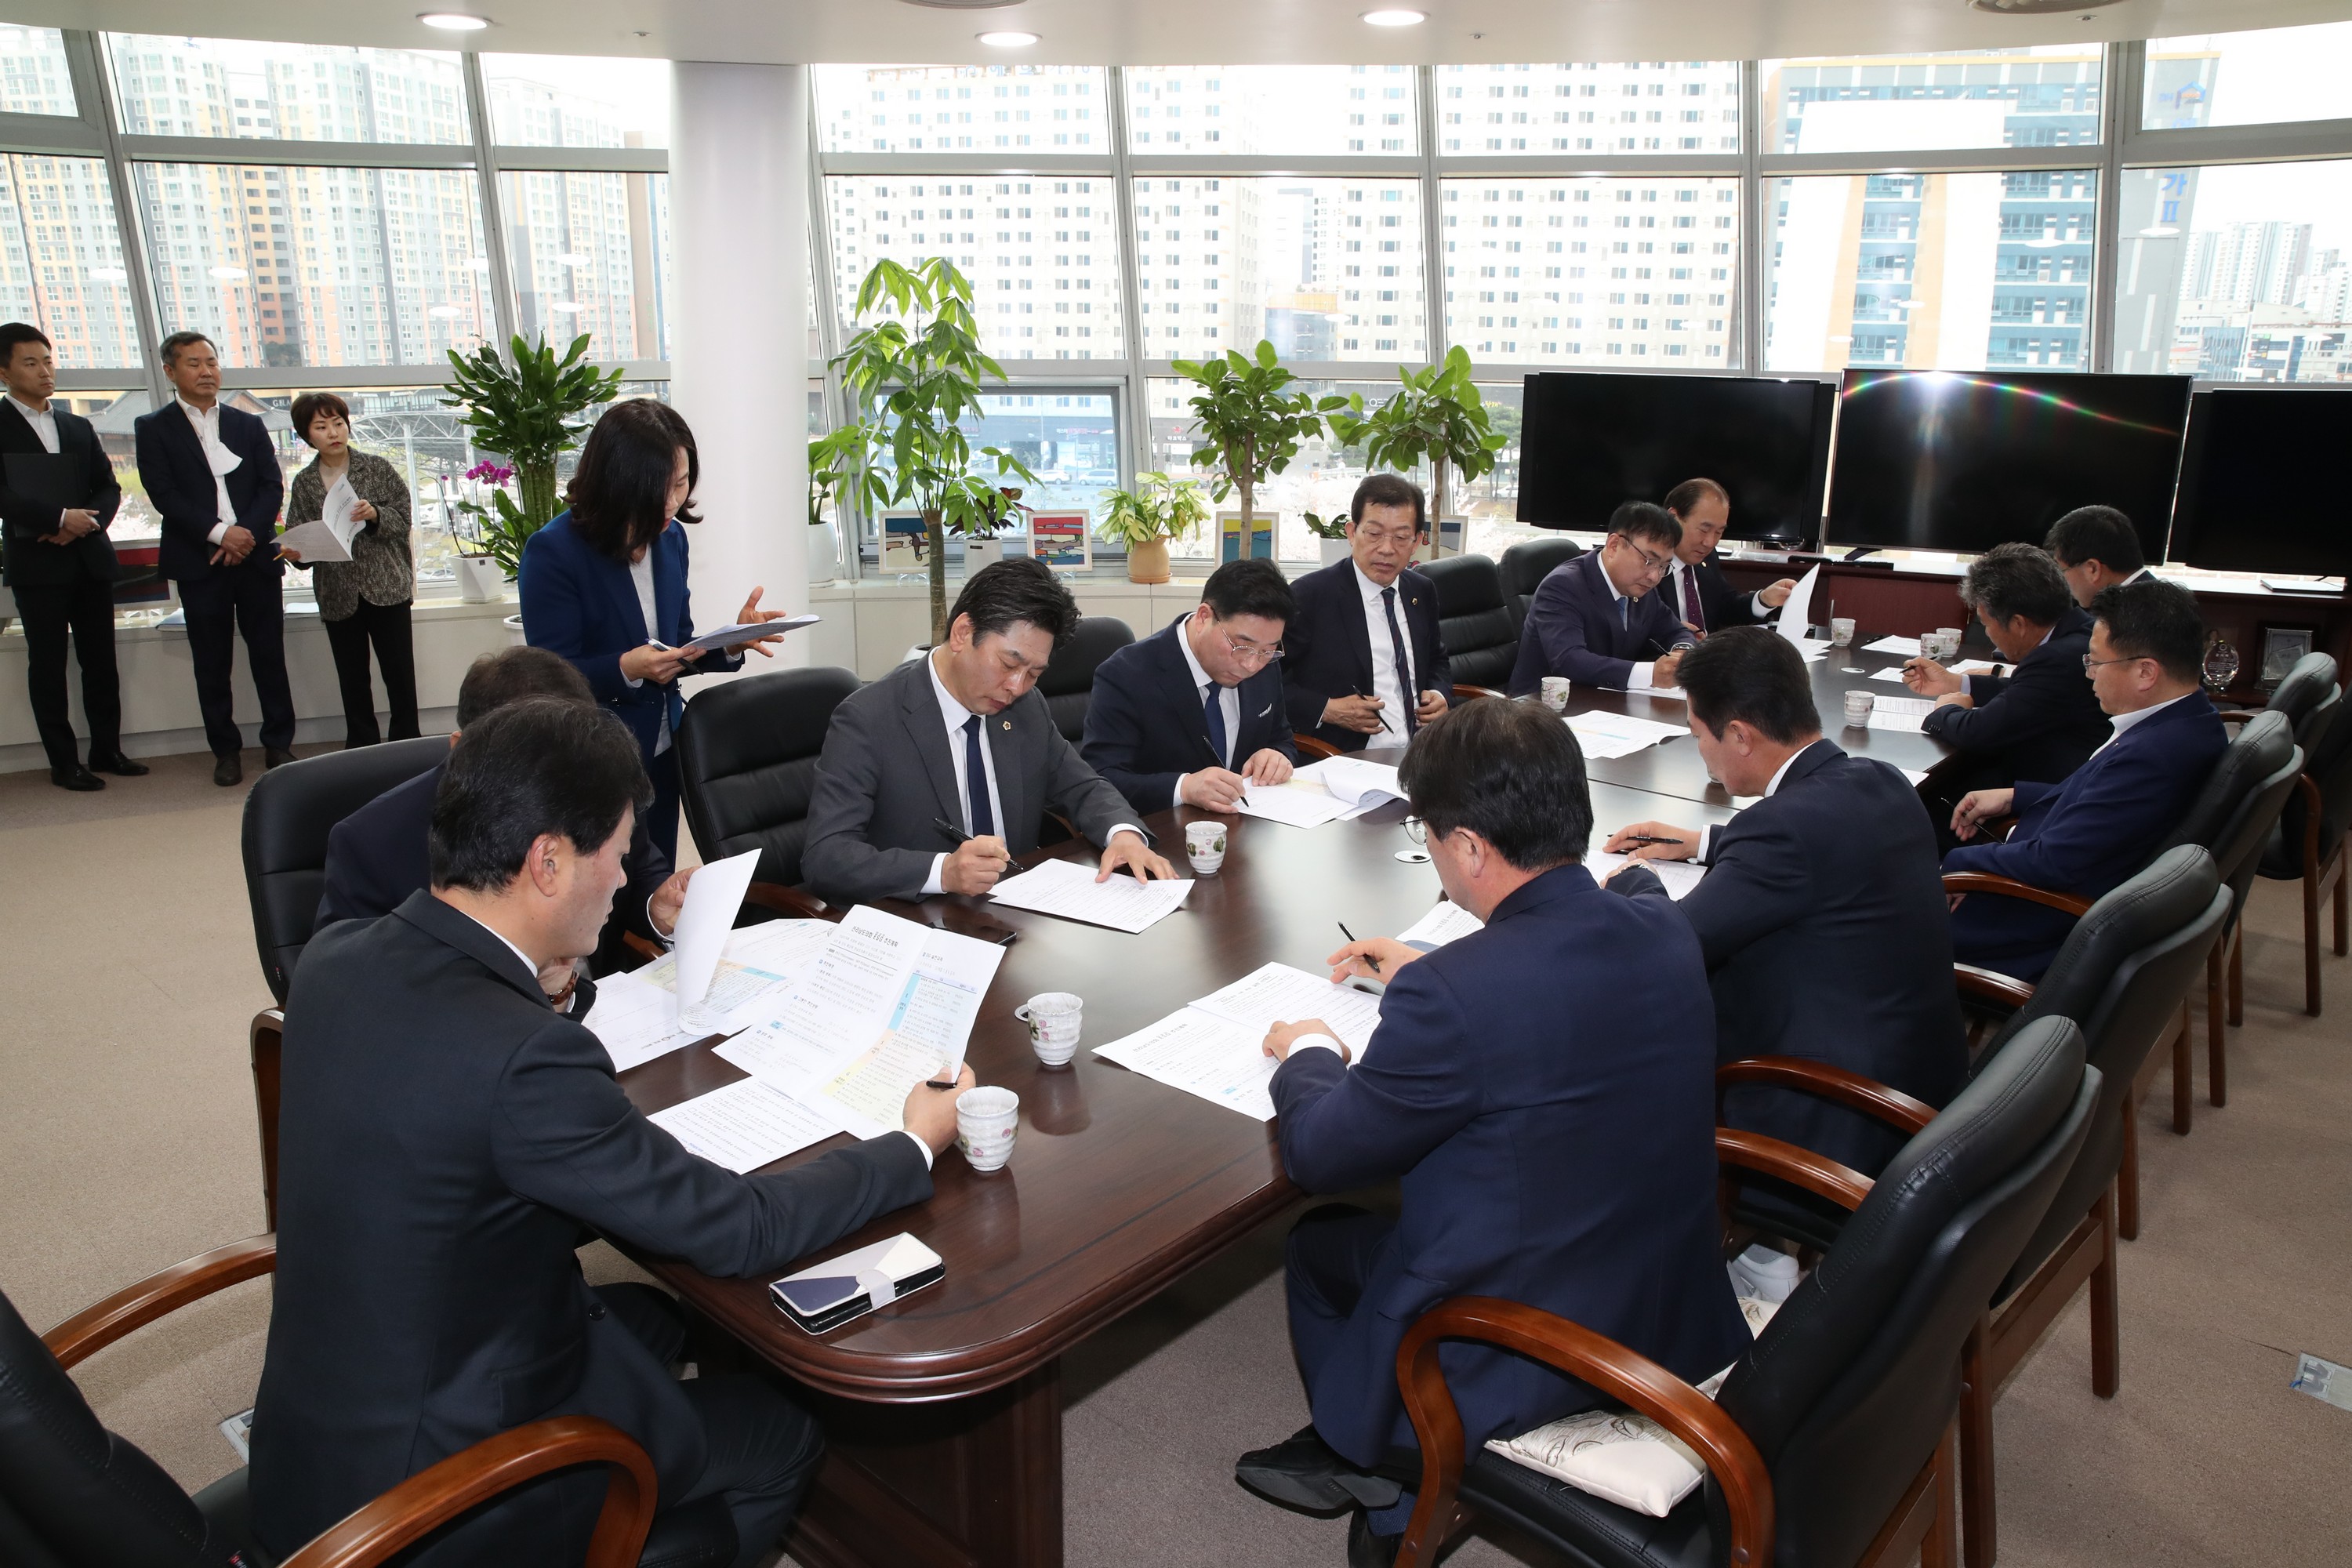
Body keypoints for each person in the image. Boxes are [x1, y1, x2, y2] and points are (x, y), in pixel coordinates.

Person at [250, 696, 973, 1568]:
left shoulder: (336, 957)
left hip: (321, 1428)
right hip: (434, 1496)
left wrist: (541, 985)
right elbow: (739, 1228)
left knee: (654, 1318)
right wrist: (911, 1141)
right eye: (621, 854)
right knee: (780, 1429)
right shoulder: (525, 1059)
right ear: (548, 861)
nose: (627, 877)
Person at [1234, 698, 1749, 1566]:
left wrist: (1310, 1051)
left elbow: (1321, 1153)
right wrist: (1446, 971)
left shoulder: (1458, 995)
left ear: (1469, 846)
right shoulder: (1660, 924)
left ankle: (1389, 1472)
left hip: (1524, 1344)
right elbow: (1553, 988)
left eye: (1430, 835)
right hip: (1668, 1299)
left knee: (1319, 1243)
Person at [1599, 627, 1965, 1180]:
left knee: (1631, 1038)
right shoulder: (1882, 780)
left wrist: (1635, 880)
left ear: (1740, 735)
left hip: (1833, 1120)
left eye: (1698, 734)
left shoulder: (1781, 830)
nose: (1701, 752)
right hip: (1922, 1082)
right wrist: (1705, 842)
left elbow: (1669, 945)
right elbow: (1826, 847)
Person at [802, 557, 1177, 904]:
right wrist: (942, 872)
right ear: (963, 633)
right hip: (918, 918)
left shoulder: (1026, 707)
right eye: (1009, 664)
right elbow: (827, 857)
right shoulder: (868, 719)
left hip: (1015, 908)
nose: (1017, 686)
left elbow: (1082, 786)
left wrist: (1123, 834)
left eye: (1034, 673)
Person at [315, 646, 691, 988]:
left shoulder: (600, 790)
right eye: (531, 768)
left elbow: (639, 873)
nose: (559, 793)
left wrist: (655, 909)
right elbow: (351, 984)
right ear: (462, 751)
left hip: (606, 1007)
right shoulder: (370, 843)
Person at [520, 398, 791, 860]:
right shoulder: (553, 552)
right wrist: (627, 669)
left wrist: (731, 642)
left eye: (681, 483)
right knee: (606, 885)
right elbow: (549, 680)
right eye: (658, 489)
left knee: (656, 878)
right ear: (617, 484)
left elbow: (677, 643)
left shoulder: (671, 539)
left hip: (664, 744)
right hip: (594, 757)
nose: (672, 502)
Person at [1945, 579, 2227, 982]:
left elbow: (2053, 862)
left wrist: (1955, 864)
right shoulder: (2189, 721)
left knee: (1867, 911)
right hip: (2042, 884)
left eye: (2095, 662)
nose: (2089, 674)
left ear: (2146, 672)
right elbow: (2105, 804)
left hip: (2030, 926)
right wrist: (2015, 796)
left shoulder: (2154, 755)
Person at [134, 331, 293, 787]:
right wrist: (221, 534)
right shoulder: (153, 427)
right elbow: (163, 493)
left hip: (255, 557)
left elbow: (271, 485)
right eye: (194, 364)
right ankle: (226, 750)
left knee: (269, 654)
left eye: (212, 362)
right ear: (170, 371)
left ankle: (279, 742)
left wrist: (245, 535)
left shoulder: (249, 425)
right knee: (211, 661)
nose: (207, 371)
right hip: (198, 559)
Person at [0, 321, 142, 792]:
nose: (45, 371)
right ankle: (64, 763)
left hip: (88, 557)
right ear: (4, 372)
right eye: (31, 363)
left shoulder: (76, 424)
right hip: (36, 564)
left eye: (48, 361)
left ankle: (107, 749)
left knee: (100, 661)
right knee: (47, 666)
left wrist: (87, 521)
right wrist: (59, 518)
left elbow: (108, 486)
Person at [1906, 543, 2112, 837]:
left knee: (1913, 810)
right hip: (2053, 778)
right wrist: (1958, 683)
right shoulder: (2079, 630)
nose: (1989, 635)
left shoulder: (2057, 659)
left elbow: (1978, 733)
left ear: (2018, 624)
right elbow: (2029, 691)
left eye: (1987, 624)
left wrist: (1945, 710)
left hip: (2047, 803)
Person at [1081, 557, 1299, 816]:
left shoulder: (1265, 665)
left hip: (1246, 825)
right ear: (1204, 617)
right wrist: (1183, 788)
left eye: (1269, 650)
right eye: (1242, 646)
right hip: (1160, 828)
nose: (1251, 665)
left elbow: (1281, 738)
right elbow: (1100, 779)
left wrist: (1277, 756)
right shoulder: (1125, 675)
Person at [283, 391, 419, 748]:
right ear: (306, 435)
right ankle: (361, 746)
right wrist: (295, 553)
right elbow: (300, 537)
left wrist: (375, 514)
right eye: (321, 427)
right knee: (352, 679)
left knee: (399, 675)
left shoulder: (377, 468)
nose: (333, 433)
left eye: (339, 423)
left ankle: (408, 742)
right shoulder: (305, 482)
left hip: (387, 587)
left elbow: (404, 520)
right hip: (337, 592)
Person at [1280, 474, 1453, 753]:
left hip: (1423, 752)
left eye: (1401, 537)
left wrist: (1439, 693)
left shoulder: (1422, 590)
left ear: (1417, 541)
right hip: (1345, 755)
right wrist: (1327, 709)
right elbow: (1264, 680)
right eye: (1374, 534)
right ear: (1352, 533)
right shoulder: (1310, 595)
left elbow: (1437, 659)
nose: (1386, 549)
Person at [1507, 499, 1696, 696]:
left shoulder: (1641, 589)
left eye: (1663, 566)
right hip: (1541, 705)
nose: (1654, 576)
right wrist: (1650, 674)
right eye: (1649, 561)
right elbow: (1569, 661)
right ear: (1614, 545)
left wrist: (1681, 653)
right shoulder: (1562, 586)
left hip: (1606, 699)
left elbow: (1676, 631)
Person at [1659, 476, 1796, 637]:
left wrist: (1763, 599)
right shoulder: (1648, 565)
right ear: (1674, 518)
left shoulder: (1707, 558)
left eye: (1719, 532)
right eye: (1704, 530)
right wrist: (1671, 634)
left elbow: (1725, 606)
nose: (1710, 542)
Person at [2043, 504, 2152, 608]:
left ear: (2093, 569)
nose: (2061, 581)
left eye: (2061, 571)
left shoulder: (2135, 615)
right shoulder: (2149, 600)